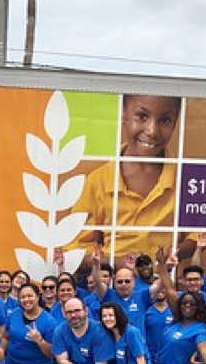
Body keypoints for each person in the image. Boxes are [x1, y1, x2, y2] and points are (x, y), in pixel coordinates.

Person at [73, 94, 181, 257]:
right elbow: (79, 248)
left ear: (175, 122)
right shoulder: (99, 180)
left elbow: (196, 236)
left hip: (164, 279)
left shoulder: (184, 179)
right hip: (115, 279)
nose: (152, 131)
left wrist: (172, 254)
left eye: (165, 120)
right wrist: (118, 264)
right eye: (142, 116)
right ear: (123, 114)